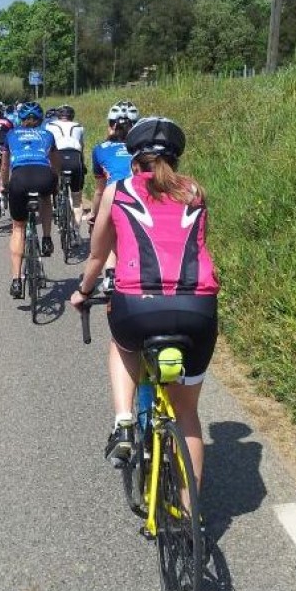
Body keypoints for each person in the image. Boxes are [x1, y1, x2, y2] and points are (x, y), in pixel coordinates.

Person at [70, 116, 219, 490]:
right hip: (197, 308)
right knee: (186, 414)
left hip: (137, 306)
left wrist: (84, 292)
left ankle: (123, 421)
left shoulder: (118, 190)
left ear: (133, 159)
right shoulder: (195, 192)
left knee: (122, 346)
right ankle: (191, 517)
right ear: (176, 159)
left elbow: (97, 254)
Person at [1, 101, 59, 298]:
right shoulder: (48, 134)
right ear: (41, 119)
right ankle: (47, 238)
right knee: (46, 199)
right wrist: (55, 182)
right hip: (43, 175)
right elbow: (55, 163)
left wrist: (4, 185)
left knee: (18, 228)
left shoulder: (10, 135)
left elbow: (4, 165)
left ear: (20, 119)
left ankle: (17, 281)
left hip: (19, 179)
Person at [89, 100, 139, 291]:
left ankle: (110, 275)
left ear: (111, 125)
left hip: (114, 197)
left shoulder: (100, 149)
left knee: (111, 231)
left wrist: (93, 215)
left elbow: (99, 190)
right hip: (140, 197)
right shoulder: (142, 149)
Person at [45, 104, 86, 228]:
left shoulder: (49, 126)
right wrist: (82, 164)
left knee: (54, 185)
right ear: (72, 116)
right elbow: (81, 147)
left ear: (58, 116)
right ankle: (76, 232)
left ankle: (57, 205)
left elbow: (47, 147)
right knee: (77, 201)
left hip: (58, 156)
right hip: (75, 158)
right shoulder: (79, 127)